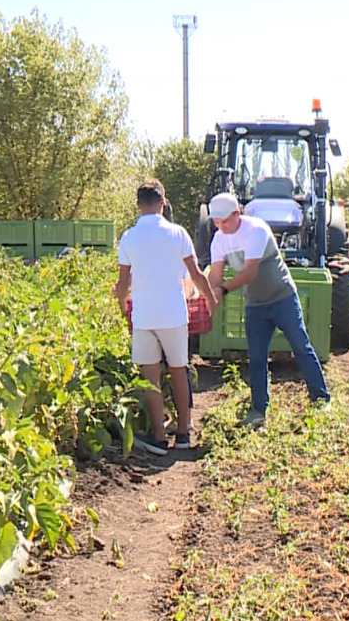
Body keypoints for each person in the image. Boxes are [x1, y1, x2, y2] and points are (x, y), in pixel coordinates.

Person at [206, 192, 329, 428]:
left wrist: (221, 291)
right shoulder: (219, 240)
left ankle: (321, 398)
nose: (220, 226)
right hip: (255, 305)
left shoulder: (256, 229)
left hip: (282, 298)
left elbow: (250, 273)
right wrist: (207, 300)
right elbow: (215, 276)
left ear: (237, 214)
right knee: (257, 357)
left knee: (301, 347)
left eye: (224, 221)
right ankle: (258, 409)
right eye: (216, 222)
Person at [113, 179, 216, 454]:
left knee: (151, 377)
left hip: (144, 316)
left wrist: (122, 304)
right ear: (163, 203)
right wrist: (210, 299)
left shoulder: (129, 237)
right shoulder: (178, 233)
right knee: (179, 370)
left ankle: (159, 437)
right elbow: (195, 275)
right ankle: (183, 434)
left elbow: (123, 283)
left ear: (138, 205)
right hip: (173, 314)